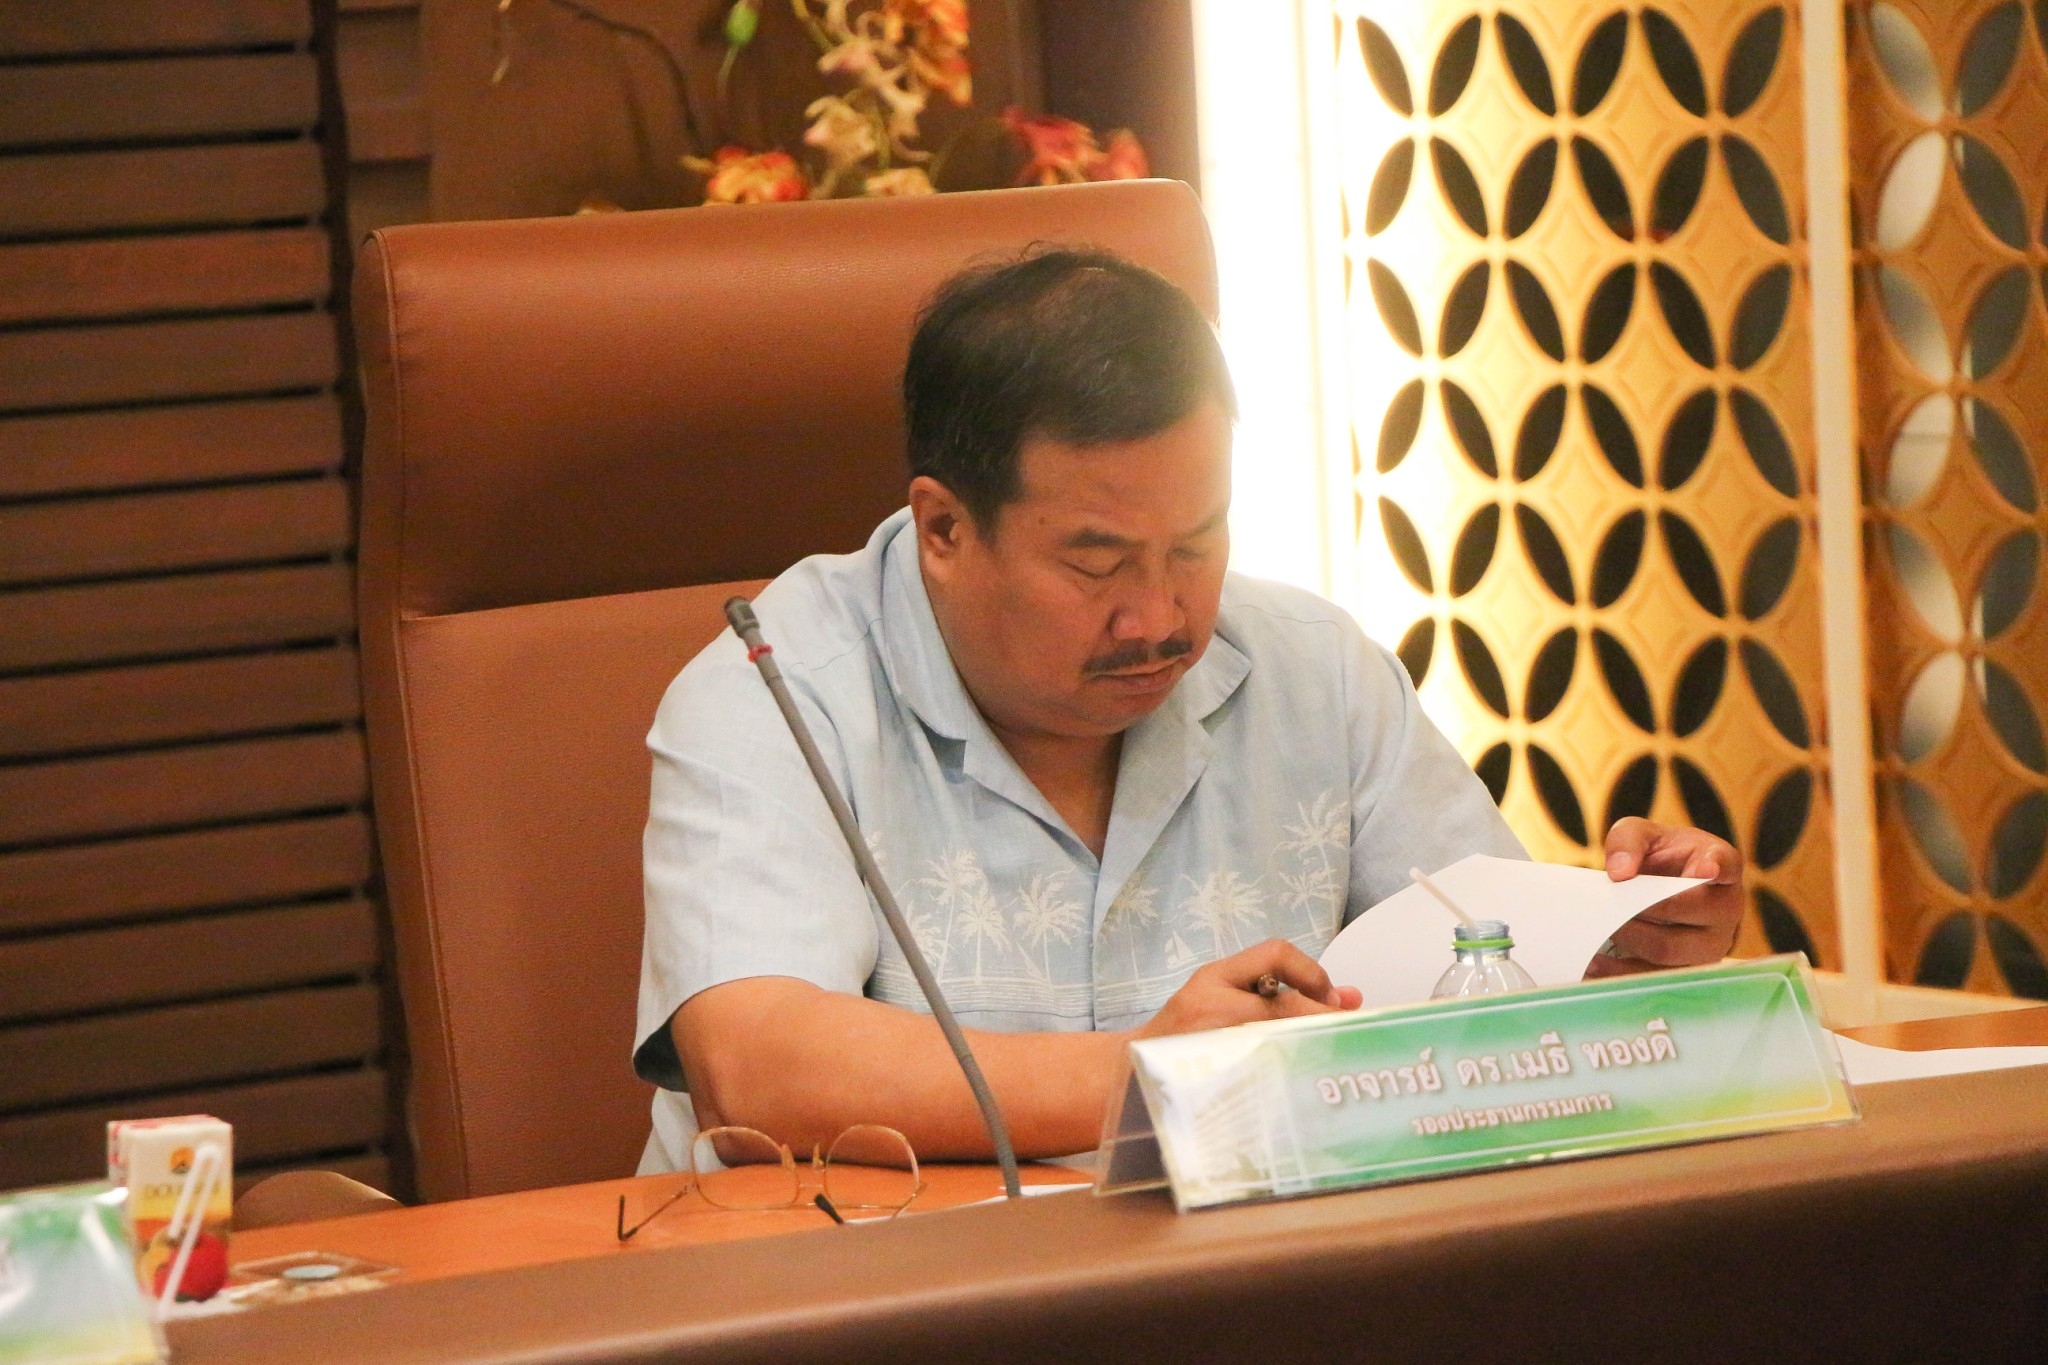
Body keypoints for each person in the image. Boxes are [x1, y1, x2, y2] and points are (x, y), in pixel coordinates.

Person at [632, 248, 1743, 1173]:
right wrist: (1156, 1073)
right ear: (943, 529)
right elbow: (755, 1066)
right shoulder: (774, 689)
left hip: (1258, 1295)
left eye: (1197, 545)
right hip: (888, 1304)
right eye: (1097, 563)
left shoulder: (1311, 668)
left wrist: (1623, 951)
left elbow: (1479, 967)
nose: (1160, 617)